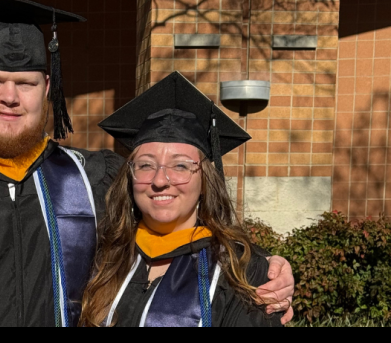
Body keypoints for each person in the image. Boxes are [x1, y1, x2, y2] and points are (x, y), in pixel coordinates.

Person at [0, 1, 294, 327]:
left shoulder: (91, 179)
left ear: (48, 89)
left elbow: (178, 229)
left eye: (25, 83)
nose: (9, 96)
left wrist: (267, 271)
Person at [81, 72, 284, 327]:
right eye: (145, 165)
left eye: (180, 166)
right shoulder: (104, 258)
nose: (159, 180)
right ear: (130, 177)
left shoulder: (239, 271)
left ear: (204, 181)